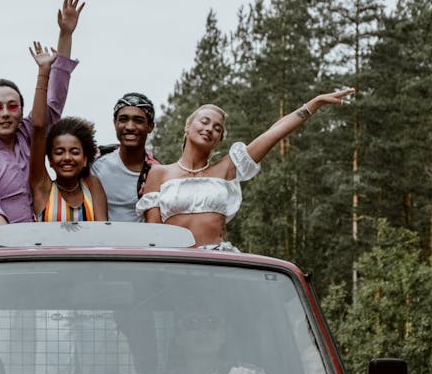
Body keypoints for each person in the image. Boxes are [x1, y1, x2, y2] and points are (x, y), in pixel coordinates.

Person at [137, 89, 355, 248]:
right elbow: (153, 234)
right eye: (204, 122)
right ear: (188, 126)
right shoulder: (159, 173)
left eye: (217, 128)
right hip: (172, 260)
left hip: (216, 262)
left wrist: (313, 105)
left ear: (219, 139)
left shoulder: (226, 169)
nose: (209, 129)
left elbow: (274, 132)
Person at [0, 0, 84, 247]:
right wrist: (12, 246)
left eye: (13, 106)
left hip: (37, 244)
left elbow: (53, 100)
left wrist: (65, 35)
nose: (5, 113)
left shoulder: (28, 136)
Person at [28, 43, 107, 222]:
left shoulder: (92, 185)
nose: (67, 158)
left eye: (75, 152)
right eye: (59, 152)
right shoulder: (42, 187)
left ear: (85, 158)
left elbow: (103, 233)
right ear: (49, 160)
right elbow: (39, 128)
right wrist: (44, 71)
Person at [91, 92, 159, 221]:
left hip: (143, 240)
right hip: (100, 239)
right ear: (115, 123)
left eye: (138, 121)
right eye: (123, 119)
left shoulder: (157, 172)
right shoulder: (95, 165)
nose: (130, 127)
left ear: (150, 127)